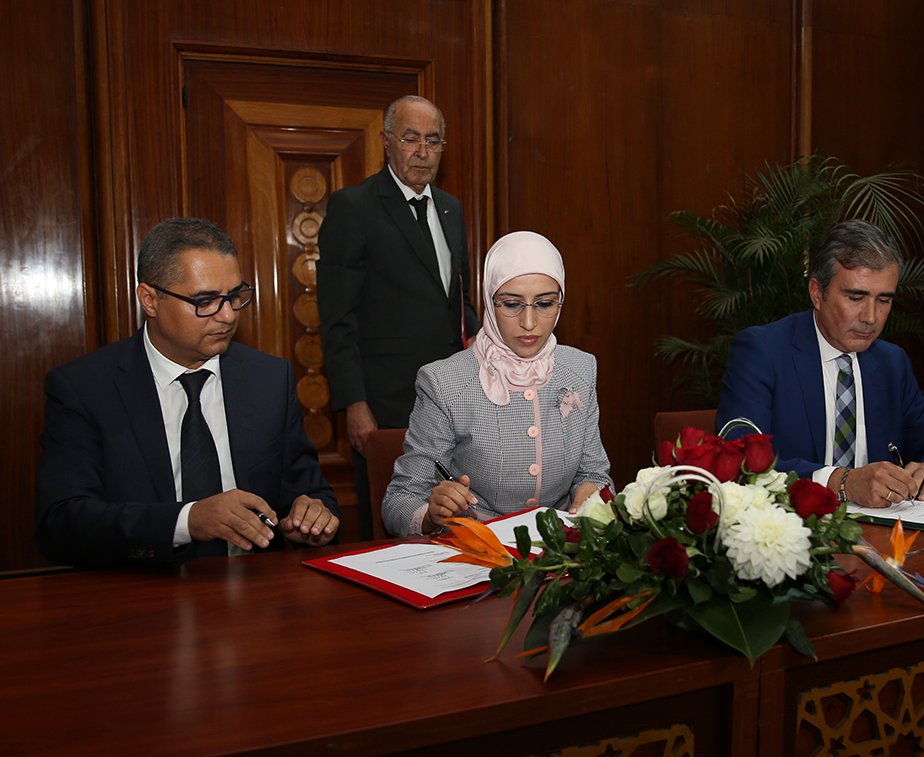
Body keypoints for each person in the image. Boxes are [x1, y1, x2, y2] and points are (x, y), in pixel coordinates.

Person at [36, 217, 339, 567]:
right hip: (140, 594)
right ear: (150, 300)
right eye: (205, 300)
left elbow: (309, 494)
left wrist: (315, 518)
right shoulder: (84, 388)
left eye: (234, 296)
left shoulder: (269, 378)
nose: (226, 316)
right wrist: (187, 521)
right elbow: (60, 524)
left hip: (256, 594)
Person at [717, 220, 924, 507]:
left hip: (887, 530)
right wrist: (841, 482)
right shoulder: (764, 352)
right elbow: (737, 458)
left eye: (884, 300)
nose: (871, 317)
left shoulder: (891, 362)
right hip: (792, 529)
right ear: (817, 292)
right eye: (856, 297)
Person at [317, 95, 481, 537]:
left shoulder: (451, 207)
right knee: (393, 526)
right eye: (410, 138)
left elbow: (457, 301)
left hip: (452, 396)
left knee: (452, 519)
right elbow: (337, 317)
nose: (422, 151)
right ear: (387, 142)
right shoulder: (354, 207)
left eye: (433, 140)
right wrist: (355, 403)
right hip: (387, 403)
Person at [382, 231, 612, 536]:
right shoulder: (445, 382)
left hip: (562, 553)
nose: (529, 323)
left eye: (544, 304)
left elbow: (594, 472)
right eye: (512, 304)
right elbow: (400, 499)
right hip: (479, 555)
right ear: (490, 302)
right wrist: (430, 514)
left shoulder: (580, 369)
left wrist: (590, 491)